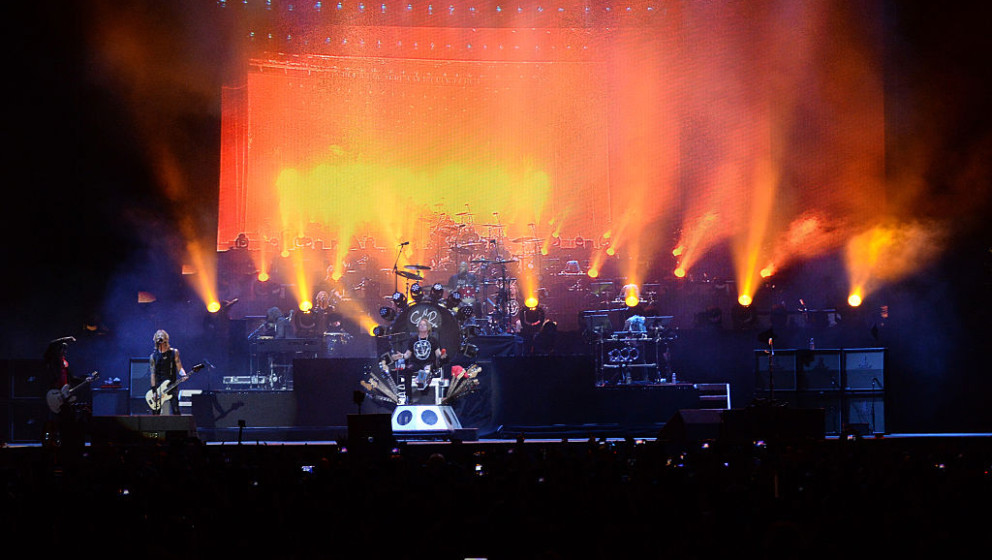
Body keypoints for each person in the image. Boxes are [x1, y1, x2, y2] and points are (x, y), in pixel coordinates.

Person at [43, 336, 88, 447]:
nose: (64, 352)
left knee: (68, 419)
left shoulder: (65, 364)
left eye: (65, 349)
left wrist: (85, 379)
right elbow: (51, 344)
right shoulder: (53, 360)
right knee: (58, 419)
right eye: (62, 349)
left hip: (65, 394)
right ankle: (57, 442)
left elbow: (71, 378)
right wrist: (66, 339)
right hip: (55, 393)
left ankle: (68, 442)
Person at [391, 319, 447, 394]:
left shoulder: (433, 340)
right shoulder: (413, 340)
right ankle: (408, 396)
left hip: (428, 363)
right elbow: (408, 355)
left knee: (426, 369)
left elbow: (438, 354)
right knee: (407, 370)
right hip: (415, 363)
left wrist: (442, 355)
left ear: (428, 327)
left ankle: (421, 383)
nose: (421, 326)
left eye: (424, 325)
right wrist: (401, 356)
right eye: (420, 325)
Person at [148, 329, 187, 415]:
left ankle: (178, 428)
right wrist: (154, 391)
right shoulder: (153, 356)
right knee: (156, 412)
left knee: (175, 409)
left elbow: (179, 367)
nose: (160, 337)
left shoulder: (174, 352)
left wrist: (183, 375)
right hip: (159, 387)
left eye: (162, 336)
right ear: (155, 339)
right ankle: (155, 428)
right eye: (158, 336)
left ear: (166, 339)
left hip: (172, 385)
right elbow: (152, 375)